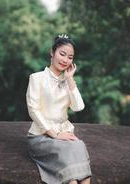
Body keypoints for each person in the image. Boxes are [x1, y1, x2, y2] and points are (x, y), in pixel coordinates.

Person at [26, 34, 92, 184]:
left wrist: (69, 80)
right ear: (52, 52)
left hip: (65, 134)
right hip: (41, 136)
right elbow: (33, 110)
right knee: (72, 180)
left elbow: (78, 107)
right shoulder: (36, 78)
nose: (65, 60)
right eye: (62, 54)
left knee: (79, 146)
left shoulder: (68, 82)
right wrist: (55, 134)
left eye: (70, 57)